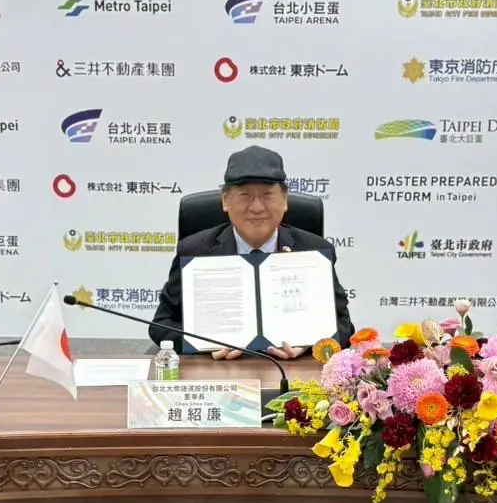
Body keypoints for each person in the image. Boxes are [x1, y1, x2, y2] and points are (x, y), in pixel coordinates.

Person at [151, 145, 354, 359]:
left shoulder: (315, 250)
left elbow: (343, 326)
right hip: (220, 371)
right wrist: (205, 343)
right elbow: (161, 325)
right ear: (225, 200)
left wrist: (311, 344)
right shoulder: (195, 251)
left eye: (267, 195)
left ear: (285, 200)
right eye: (245, 196)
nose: (257, 207)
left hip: (293, 371)